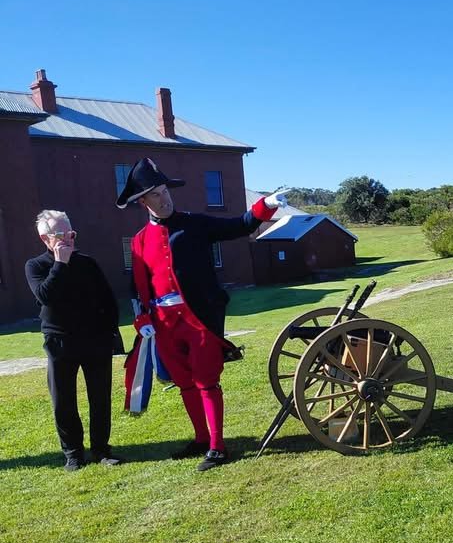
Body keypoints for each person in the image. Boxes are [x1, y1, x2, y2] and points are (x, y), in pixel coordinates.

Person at [117, 158, 287, 472]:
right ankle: (199, 438)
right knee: (185, 382)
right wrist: (141, 320)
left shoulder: (195, 223)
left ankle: (217, 446)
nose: (164, 198)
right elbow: (136, 287)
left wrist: (267, 205)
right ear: (143, 202)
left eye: (165, 190)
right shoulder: (140, 241)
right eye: (156, 194)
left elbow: (240, 224)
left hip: (200, 318)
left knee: (206, 380)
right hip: (163, 324)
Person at [25, 210, 123, 471]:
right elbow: (45, 296)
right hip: (60, 342)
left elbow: (107, 300)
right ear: (45, 238)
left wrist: (111, 334)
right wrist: (59, 264)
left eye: (71, 233)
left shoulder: (88, 263)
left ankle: (101, 450)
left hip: (95, 340)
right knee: (63, 400)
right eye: (61, 235)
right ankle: (73, 454)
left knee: (99, 397)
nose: (68, 239)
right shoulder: (36, 266)